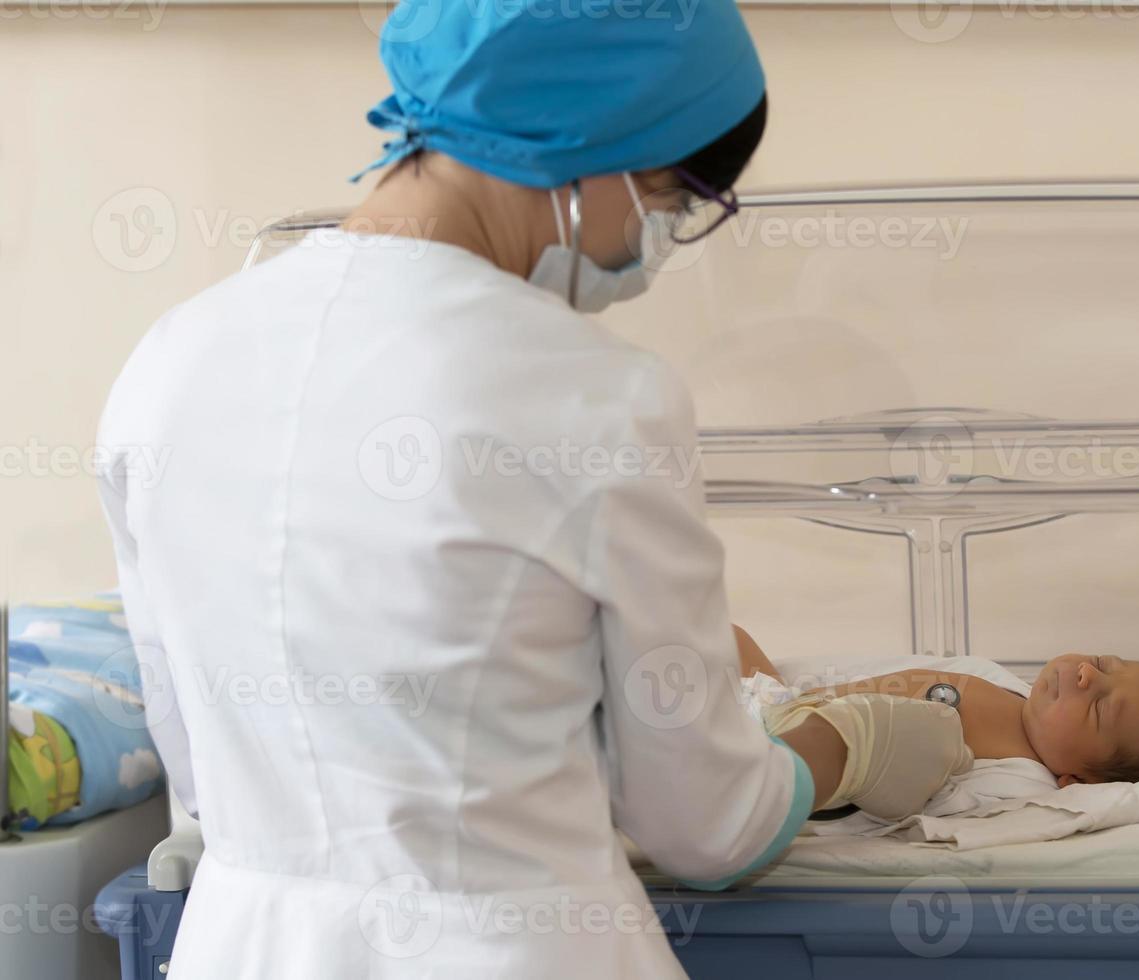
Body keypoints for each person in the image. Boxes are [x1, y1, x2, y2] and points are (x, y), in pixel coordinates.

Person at [94, 3, 969, 977]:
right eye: (675, 199)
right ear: (587, 141)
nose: (661, 241)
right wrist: (845, 741)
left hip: (246, 944)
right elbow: (706, 822)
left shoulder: (167, 363)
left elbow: (198, 755)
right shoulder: (598, 395)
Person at [735, 626, 1139, 795]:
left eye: (1101, 708)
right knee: (723, 631)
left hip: (786, 746)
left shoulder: (1018, 780)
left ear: (1081, 781)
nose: (1086, 674)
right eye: (1103, 664)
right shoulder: (1004, 685)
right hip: (782, 703)